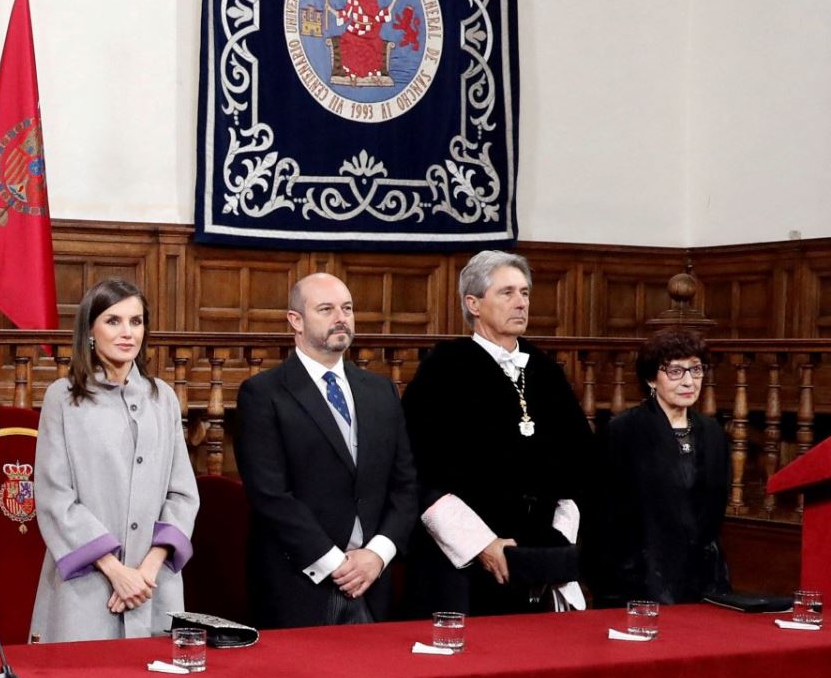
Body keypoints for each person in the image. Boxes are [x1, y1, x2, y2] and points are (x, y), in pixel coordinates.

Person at [402, 250, 594, 616]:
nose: (521, 303)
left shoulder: (544, 370)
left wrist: (553, 544)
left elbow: (578, 463)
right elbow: (419, 470)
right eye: (507, 293)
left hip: (538, 557)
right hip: (464, 559)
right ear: (473, 303)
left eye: (524, 293)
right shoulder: (443, 369)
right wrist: (485, 546)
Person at [234, 272, 417, 628]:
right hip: (299, 585)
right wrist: (335, 563)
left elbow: (405, 485)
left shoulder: (380, 391)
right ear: (295, 321)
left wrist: (378, 555)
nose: (341, 318)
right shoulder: (263, 393)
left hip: (373, 582)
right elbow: (270, 494)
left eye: (347, 308)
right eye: (326, 309)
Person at [28, 279, 198, 642]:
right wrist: (116, 571)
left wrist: (147, 569)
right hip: (88, 585)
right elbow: (56, 498)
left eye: (136, 322)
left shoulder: (163, 398)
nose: (127, 333)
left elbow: (182, 494)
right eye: (114, 321)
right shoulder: (63, 399)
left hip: (155, 585)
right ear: (90, 330)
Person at [595, 329, 729, 604]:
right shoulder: (624, 431)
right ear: (651, 379)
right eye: (676, 372)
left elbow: (714, 508)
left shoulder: (712, 431)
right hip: (639, 581)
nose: (689, 381)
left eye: (696, 370)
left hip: (702, 580)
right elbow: (606, 515)